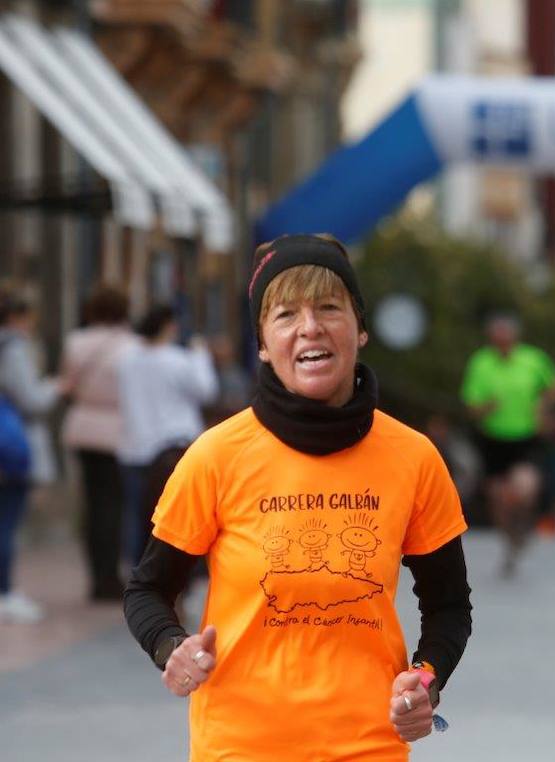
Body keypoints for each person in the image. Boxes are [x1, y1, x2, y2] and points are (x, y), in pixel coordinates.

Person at [124, 234, 472, 761]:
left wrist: (424, 680)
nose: (310, 327)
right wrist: (172, 648)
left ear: (360, 329)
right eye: (285, 314)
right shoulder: (217, 455)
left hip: (368, 744)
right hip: (239, 745)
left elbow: (448, 606)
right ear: (263, 343)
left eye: (329, 308)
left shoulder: (414, 457)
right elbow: (147, 589)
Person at [460, 312, 555, 577]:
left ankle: (524, 525)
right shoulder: (481, 362)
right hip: (493, 439)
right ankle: (511, 541)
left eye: (507, 333)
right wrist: (485, 407)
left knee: (524, 489)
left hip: (526, 438)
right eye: (498, 333)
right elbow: (471, 405)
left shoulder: (532, 359)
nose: (502, 338)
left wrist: (543, 407)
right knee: (498, 498)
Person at [117, 305, 218, 565]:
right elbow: (207, 390)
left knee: (139, 516)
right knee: (179, 519)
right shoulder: (178, 360)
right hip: (173, 449)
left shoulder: (126, 360)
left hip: (134, 448)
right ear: (169, 326)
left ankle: (139, 571)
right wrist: (200, 355)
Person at [60, 285, 136, 601]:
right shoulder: (132, 346)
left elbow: (68, 385)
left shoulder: (75, 342)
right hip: (119, 430)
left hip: (83, 427)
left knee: (92, 504)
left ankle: (96, 575)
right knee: (114, 505)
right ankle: (110, 576)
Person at [0, 282, 65, 622]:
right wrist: (57, 386)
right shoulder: (13, 349)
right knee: (7, 520)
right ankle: (5, 591)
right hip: (13, 445)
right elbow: (32, 399)